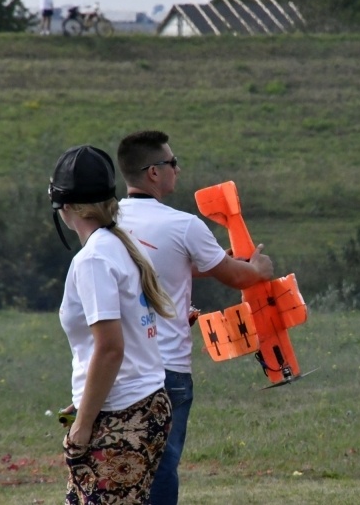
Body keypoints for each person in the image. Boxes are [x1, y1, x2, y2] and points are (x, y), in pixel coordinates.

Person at [116, 130, 274, 505]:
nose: (178, 169)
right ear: (154, 172)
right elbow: (239, 276)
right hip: (167, 369)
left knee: (121, 463)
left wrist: (218, 258)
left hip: (117, 366)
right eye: (172, 163)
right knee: (163, 464)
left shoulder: (109, 223)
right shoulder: (183, 225)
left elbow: (164, 265)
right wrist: (259, 269)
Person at [49, 145, 176, 504]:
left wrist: (83, 426)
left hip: (122, 414)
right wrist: (85, 398)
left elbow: (109, 349)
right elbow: (130, 337)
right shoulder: (119, 244)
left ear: (65, 208)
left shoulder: (93, 259)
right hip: (143, 402)